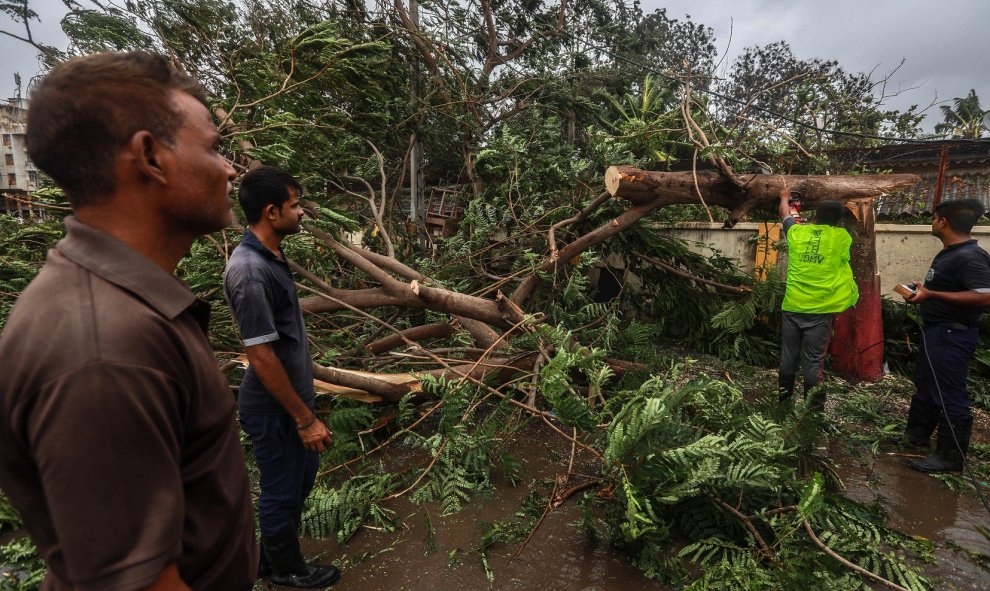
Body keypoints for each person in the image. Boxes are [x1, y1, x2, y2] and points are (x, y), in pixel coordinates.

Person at [0, 52, 256, 590]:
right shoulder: (102, 348)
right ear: (150, 157)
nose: (230, 168)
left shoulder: (124, 305)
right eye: (212, 148)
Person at [223, 166, 340, 588]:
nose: (302, 212)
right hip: (274, 409)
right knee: (281, 489)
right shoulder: (250, 272)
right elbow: (261, 355)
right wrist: (304, 419)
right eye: (294, 206)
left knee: (299, 480)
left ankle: (268, 560)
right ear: (272, 213)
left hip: (290, 402)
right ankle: (287, 571)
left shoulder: (270, 256)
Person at [902, 198, 990, 473]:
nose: (932, 222)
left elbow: (985, 296)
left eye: (933, 218)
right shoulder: (952, 252)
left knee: (949, 392)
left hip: (953, 334)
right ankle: (916, 436)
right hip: (937, 331)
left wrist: (932, 294)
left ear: (943, 221)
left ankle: (950, 457)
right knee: (927, 385)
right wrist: (922, 292)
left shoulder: (970, 256)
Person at [777, 189, 859, 408]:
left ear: (814, 216)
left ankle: (783, 406)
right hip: (821, 311)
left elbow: (785, 215)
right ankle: (813, 412)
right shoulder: (842, 237)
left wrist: (784, 197)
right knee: (813, 362)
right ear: (839, 220)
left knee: (788, 356)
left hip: (792, 306)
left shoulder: (797, 233)